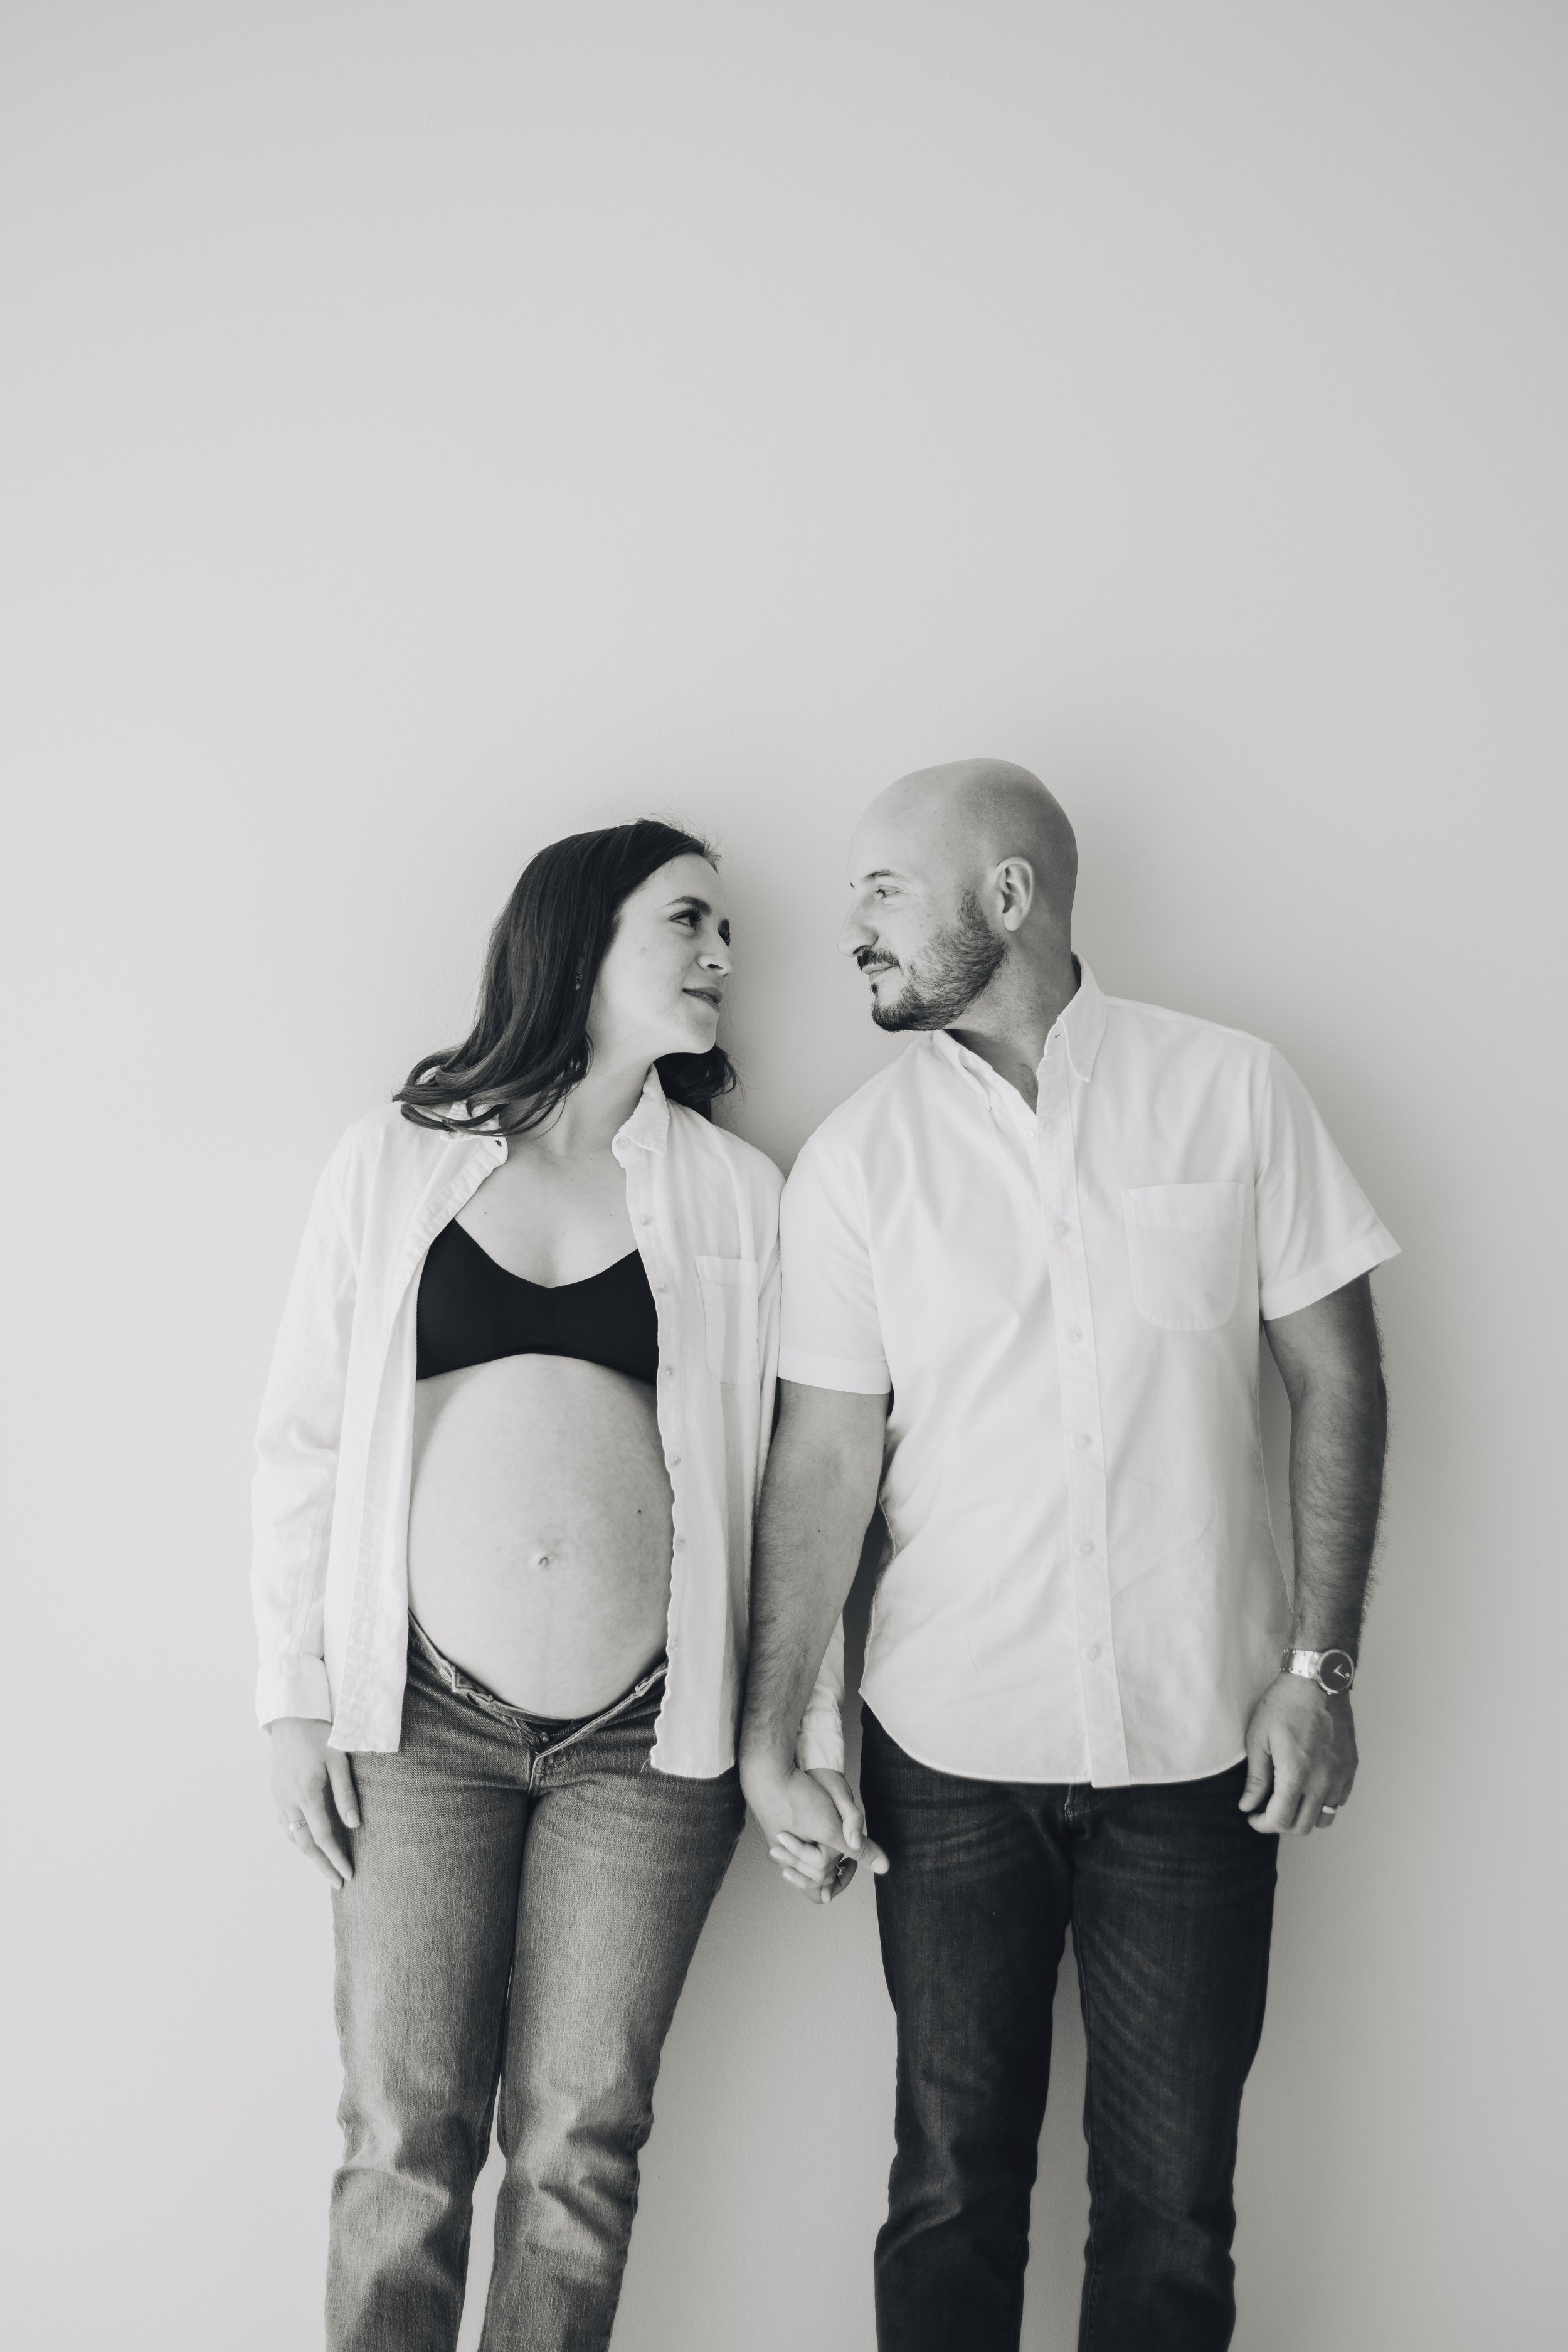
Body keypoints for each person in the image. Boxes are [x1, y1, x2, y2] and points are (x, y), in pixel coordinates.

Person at [739, 760, 1397, 2351]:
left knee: (1173, 2214)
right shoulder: (854, 1163)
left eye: (882, 892)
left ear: (1008, 894)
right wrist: (771, 1735)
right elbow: (822, 1464)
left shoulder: (1232, 1092)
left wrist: (1318, 1670)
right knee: (950, 2194)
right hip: (946, 1758)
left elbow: (1338, 1379)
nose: (853, 931)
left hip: (1196, 1753)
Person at [253, 818, 797, 2352]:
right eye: (687, 923)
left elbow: (808, 1470)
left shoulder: (739, 1197)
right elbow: (298, 1441)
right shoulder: (395, 1160)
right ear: (579, 942)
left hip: (649, 1745)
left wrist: (793, 1734)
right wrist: (290, 1697)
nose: (721, 958)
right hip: (417, 1723)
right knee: (403, 2143)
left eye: (725, 934)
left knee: (580, 2151)